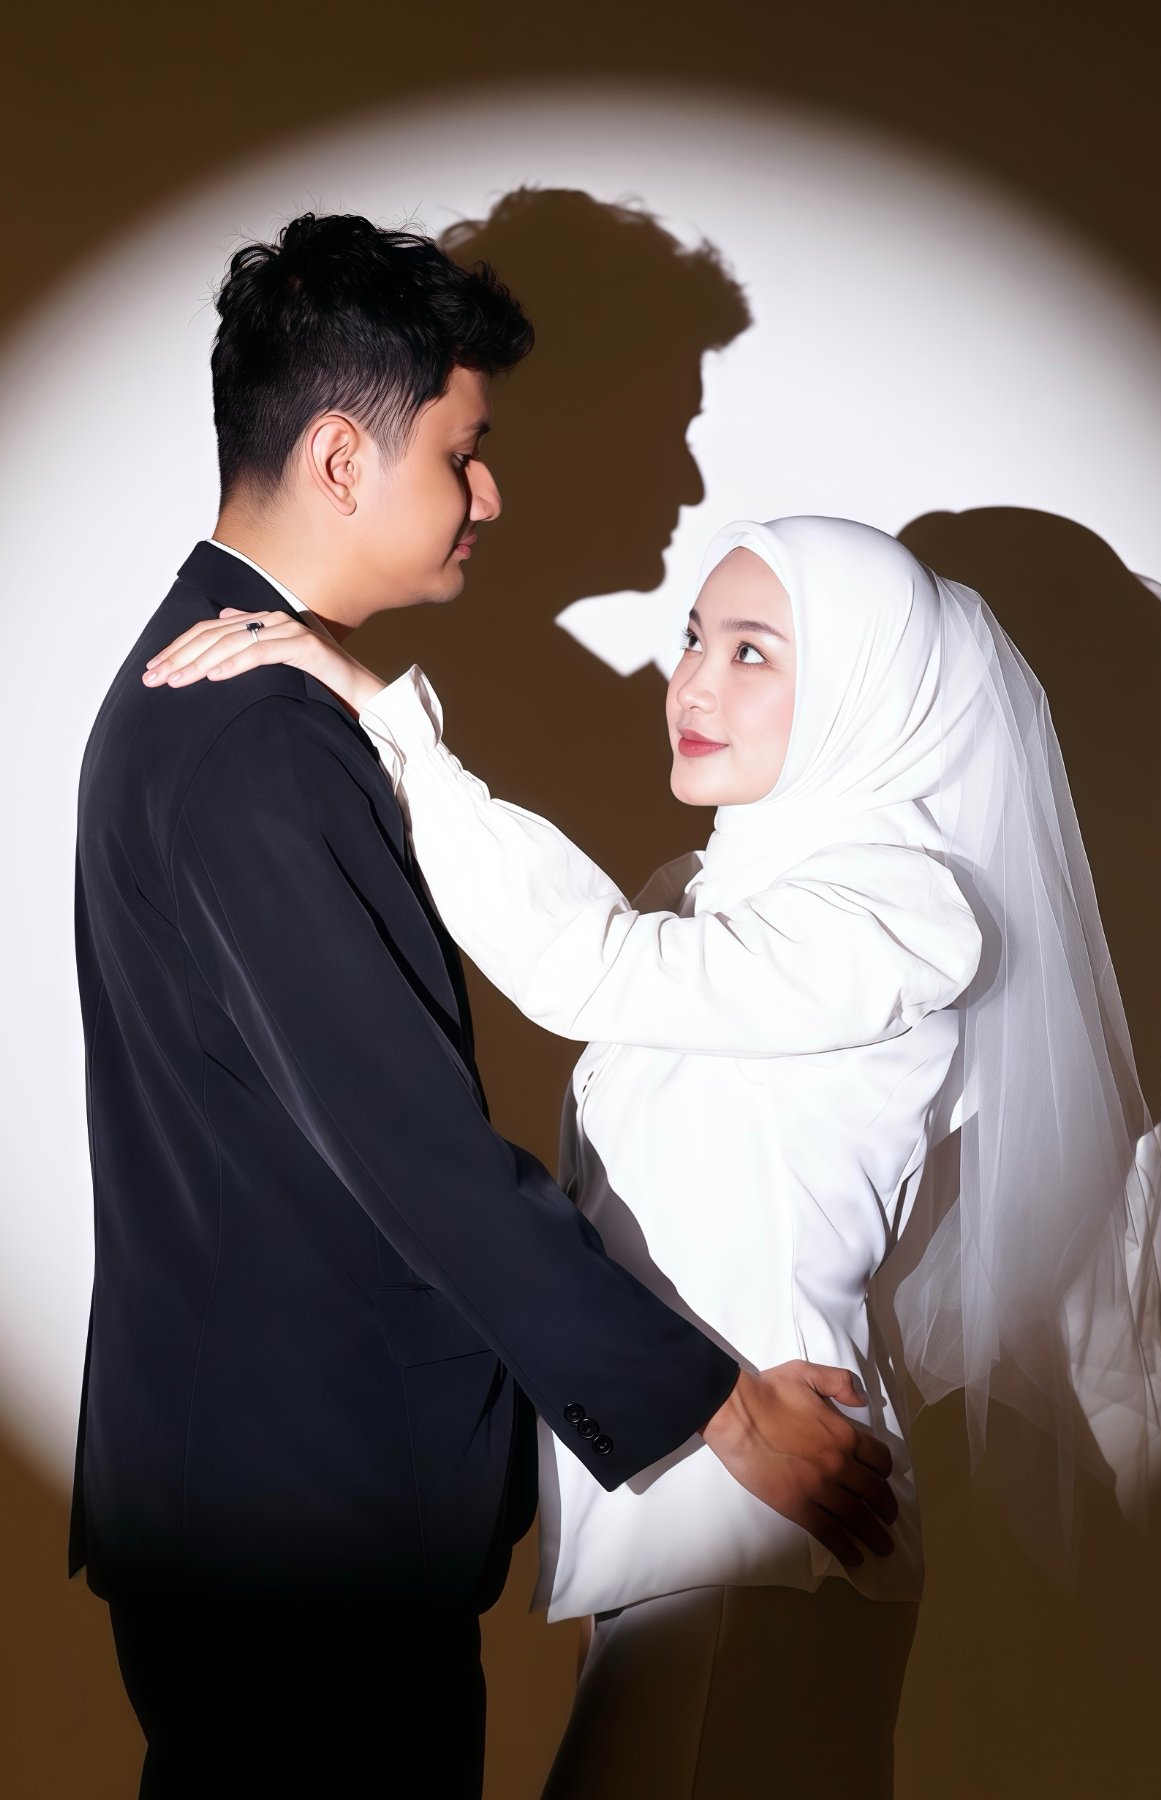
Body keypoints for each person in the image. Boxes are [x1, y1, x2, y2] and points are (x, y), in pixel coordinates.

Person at [145, 508, 1161, 1795]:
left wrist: (380, 715)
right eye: (693, 639)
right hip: (701, 1527)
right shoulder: (708, 897)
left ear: (863, 695)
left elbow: (580, 964)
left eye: (753, 652)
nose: (694, 683)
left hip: (765, 1532)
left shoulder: (902, 916)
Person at [71, 219, 903, 1799]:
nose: (494, 495)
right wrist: (722, 1411)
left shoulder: (230, 685)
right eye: (465, 453)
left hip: (254, 1507)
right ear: (340, 456)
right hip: (303, 1541)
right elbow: (418, 1159)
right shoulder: (255, 737)